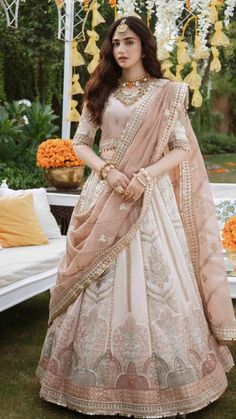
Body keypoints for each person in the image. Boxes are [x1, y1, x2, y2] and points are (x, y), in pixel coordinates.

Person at [36, 16, 236, 418]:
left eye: (128, 42)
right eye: (115, 43)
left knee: (160, 282)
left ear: (144, 46)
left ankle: (170, 381)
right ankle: (84, 380)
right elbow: (80, 145)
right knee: (93, 279)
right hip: (105, 193)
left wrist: (145, 176)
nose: (120, 49)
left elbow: (180, 148)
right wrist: (109, 173)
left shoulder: (168, 93)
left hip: (150, 198)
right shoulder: (101, 90)